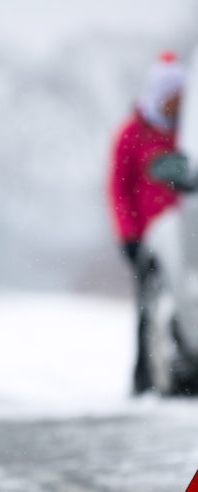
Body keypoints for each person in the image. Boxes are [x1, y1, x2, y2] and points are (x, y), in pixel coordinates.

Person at [108, 51, 191, 395]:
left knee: (177, 303)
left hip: (186, 234)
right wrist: (129, 236)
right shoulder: (132, 133)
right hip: (148, 238)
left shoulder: (186, 132)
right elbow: (119, 188)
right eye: (172, 97)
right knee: (148, 308)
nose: (177, 104)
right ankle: (143, 379)